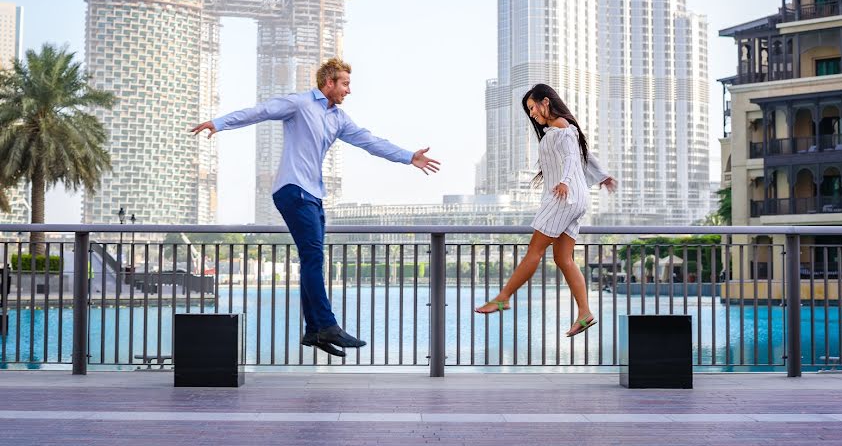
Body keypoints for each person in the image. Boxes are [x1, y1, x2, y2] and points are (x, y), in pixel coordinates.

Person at [191, 58, 440, 357]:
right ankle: (327, 325)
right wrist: (219, 123)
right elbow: (260, 111)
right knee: (313, 258)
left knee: (313, 260)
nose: (349, 90)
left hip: (312, 194)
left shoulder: (339, 119)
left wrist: (408, 156)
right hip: (292, 189)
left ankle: (314, 331)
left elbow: (370, 142)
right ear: (329, 83)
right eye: (345, 84)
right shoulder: (300, 104)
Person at [474, 84, 616, 337]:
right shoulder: (564, 128)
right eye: (528, 110)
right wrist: (603, 176)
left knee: (534, 251)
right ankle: (584, 312)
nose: (531, 114)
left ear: (546, 102)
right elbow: (585, 153)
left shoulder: (561, 128)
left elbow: (573, 157)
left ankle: (503, 297)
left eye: (532, 107)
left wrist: (565, 182)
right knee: (563, 258)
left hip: (563, 197)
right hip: (576, 198)